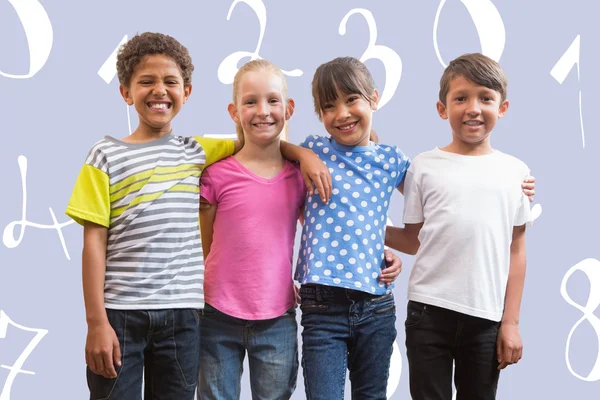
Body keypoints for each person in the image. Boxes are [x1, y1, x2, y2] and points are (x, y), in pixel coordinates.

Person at [65, 33, 329, 399]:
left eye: (170, 82)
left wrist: (302, 154)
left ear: (186, 92)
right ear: (126, 92)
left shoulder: (195, 151)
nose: (160, 90)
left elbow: (260, 141)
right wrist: (96, 321)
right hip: (122, 313)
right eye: (146, 81)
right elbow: (93, 243)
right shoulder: (105, 155)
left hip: (183, 317)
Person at [387, 53, 531, 400]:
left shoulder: (516, 173)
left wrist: (510, 323)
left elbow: (516, 250)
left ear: (503, 107)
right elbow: (414, 239)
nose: (473, 108)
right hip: (428, 311)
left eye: (485, 98)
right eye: (461, 98)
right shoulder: (423, 166)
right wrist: (363, 228)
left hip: (485, 315)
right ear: (442, 108)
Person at [295, 56, 409, 399]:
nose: (342, 113)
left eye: (351, 99)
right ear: (319, 115)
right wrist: (301, 156)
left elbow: (435, 196)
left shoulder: (391, 160)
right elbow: (270, 151)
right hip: (321, 306)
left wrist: (379, 243)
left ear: (373, 98)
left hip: (376, 305)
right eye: (329, 106)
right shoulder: (313, 149)